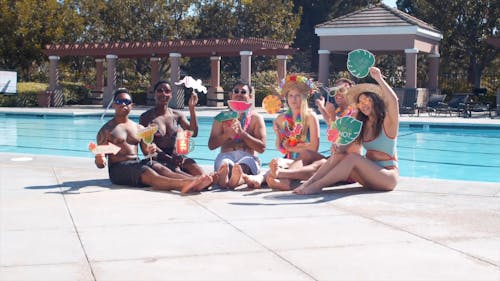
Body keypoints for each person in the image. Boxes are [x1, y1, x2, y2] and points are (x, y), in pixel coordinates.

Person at [294, 67, 399, 194]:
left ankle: (318, 186)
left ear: (376, 101)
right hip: (368, 178)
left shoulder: (388, 123)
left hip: (387, 177)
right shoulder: (362, 124)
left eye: (368, 100)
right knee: (340, 155)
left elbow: (393, 101)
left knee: (354, 157)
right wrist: (338, 148)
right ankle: (309, 183)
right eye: (360, 102)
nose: (364, 104)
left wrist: (379, 79)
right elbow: (344, 147)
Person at [94, 88, 213, 193]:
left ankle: (194, 180)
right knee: (148, 172)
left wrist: (151, 149)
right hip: (118, 169)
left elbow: (146, 152)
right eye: (119, 101)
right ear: (114, 104)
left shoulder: (138, 128)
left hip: (136, 162)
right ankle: (185, 184)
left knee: (159, 167)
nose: (123, 104)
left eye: (127, 102)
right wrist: (101, 160)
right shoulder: (106, 130)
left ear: (132, 106)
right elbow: (100, 160)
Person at [263, 78, 360, 190]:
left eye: (342, 89)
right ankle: (285, 181)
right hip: (336, 159)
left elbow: (340, 140)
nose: (338, 93)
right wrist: (322, 109)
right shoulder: (341, 112)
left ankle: (282, 175)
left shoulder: (355, 113)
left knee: (320, 164)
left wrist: (332, 115)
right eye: (335, 90)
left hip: (347, 166)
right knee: (306, 154)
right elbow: (331, 127)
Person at [243, 74, 320, 190]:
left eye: (297, 96)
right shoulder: (281, 118)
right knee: (279, 161)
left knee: (282, 162)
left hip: (307, 160)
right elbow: (281, 148)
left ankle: (263, 179)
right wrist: (277, 133)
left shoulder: (310, 117)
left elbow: (314, 148)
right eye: (290, 95)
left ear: (304, 97)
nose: (293, 99)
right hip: (289, 157)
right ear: (287, 98)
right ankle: (268, 180)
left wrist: (292, 149)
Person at [208, 81, 267, 189]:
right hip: (226, 155)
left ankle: (233, 179)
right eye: (236, 91)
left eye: (243, 92)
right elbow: (211, 145)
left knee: (244, 164)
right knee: (225, 163)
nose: (239, 94)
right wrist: (226, 135)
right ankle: (227, 178)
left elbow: (262, 148)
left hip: (248, 157)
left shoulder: (256, 118)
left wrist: (243, 134)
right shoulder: (221, 118)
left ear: (250, 96)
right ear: (231, 95)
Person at [139, 80, 204, 176]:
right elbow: (148, 143)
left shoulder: (177, 115)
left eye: (167, 91)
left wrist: (192, 108)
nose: (163, 94)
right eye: (160, 91)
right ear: (154, 94)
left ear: (171, 95)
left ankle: (202, 179)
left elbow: (193, 133)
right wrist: (169, 158)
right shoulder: (146, 117)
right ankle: (196, 181)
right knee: (176, 170)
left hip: (176, 156)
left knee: (194, 167)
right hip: (158, 157)